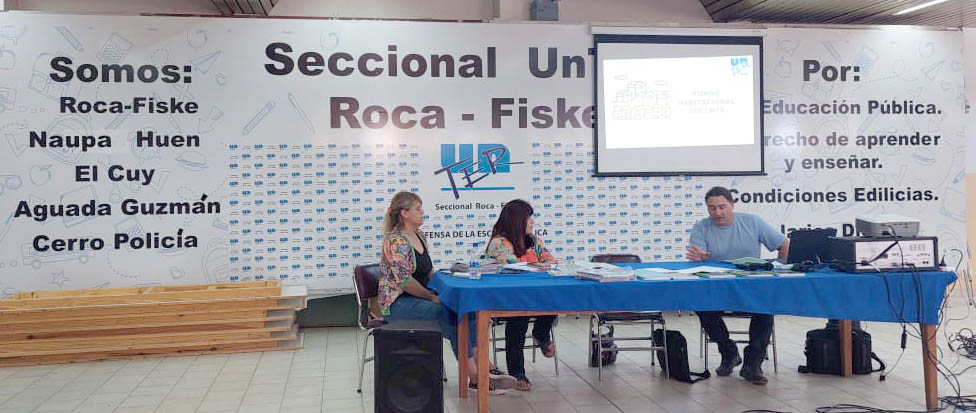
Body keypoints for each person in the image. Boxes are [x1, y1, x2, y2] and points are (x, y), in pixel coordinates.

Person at [379, 191, 516, 393]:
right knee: (453, 316)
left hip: (421, 297)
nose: (422, 212)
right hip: (398, 304)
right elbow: (406, 281)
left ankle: (487, 369)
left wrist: (447, 283)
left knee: (467, 311)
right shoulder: (396, 242)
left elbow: (427, 272)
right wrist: (432, 297)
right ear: (404, 213)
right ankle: (477, 378)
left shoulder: (419, 235)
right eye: (418, 209)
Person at [686, 186, 789, 385]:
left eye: (722, 207)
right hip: (718, 287)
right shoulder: (701, 227)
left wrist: (781, 269)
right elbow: (696, 259)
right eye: (712, 208)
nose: (717, 212)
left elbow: (783, 244)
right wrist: (699, 259)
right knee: (702, 306)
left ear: (732, 205)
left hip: (751, 286)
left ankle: (753, 363)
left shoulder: (752, 222)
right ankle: (729, 352)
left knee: (766, 308)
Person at [485, 199, 557, 391]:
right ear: (517, 220)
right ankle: (517, 372)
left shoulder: (534, 240)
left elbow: (551, 260)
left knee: (555, 299)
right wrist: (539, 266)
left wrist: (544, 264)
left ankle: (540, 335)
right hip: (508, 298)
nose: (532, 222)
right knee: (518, 319)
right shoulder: (499, 243)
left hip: (534, 293)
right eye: (528, 218)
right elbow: (514, 267)